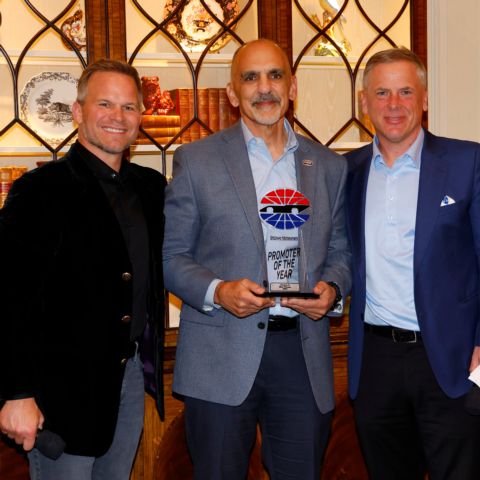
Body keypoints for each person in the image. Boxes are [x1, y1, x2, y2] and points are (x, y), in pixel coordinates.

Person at [163, 38, 351, 480]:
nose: (264, 88)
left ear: (293, 86)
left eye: (275, 75)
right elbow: (171, 257)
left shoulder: (327, 166)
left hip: (302, 357)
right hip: (220, 353)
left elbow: (342, 250)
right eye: (250, 77)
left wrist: (335, 289)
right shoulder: (196, 160)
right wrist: (218, 291)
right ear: (232, 93)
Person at [0, 59, 166, 479]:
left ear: (141, 117)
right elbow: (9, 298)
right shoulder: (39, 191)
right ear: (77, 112)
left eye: (129, 107)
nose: (118, 117)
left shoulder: (150, 188)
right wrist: (16, 393)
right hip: (58, 392)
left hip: (128, 382)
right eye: (105, 104)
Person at [345, 47, 480, 479]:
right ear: (364, 103)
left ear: (424, 98)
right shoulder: (346, 172)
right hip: (375, 362)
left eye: (406, 91)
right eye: (381, 93)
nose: (394, 104)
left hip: (452, 361)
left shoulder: (467, 162)